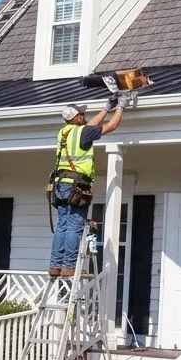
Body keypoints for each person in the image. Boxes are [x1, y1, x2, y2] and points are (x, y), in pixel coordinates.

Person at [48, 96, 124, 277]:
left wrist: (106, 107)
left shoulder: (64, 132)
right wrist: (121, 107)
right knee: (74, 227)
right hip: (77, 185)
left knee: (62, 226)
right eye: (81, 114)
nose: (83, 115)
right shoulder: (82, 133)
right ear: (75, 119)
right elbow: (111, 126)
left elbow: (89, 126)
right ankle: (69, 267)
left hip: (61, 185)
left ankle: (55, 265)